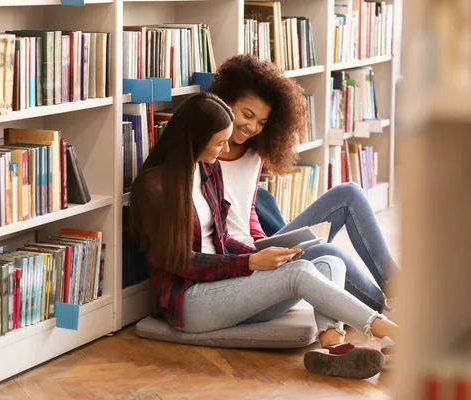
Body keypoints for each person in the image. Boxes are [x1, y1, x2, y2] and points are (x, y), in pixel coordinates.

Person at [129, 92, 397, 380]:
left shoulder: (208, 169)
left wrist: (261, 256)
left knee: (331, 263)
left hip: (226, 286)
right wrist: (249, 264)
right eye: (219, 142)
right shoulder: (154, 187)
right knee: (301, 273)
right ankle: (393, 333)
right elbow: (178, 261)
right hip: (191, 301)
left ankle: (331, 347)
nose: (223, 149)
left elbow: (221, 237)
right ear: (195, 138)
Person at [207, 54, 399, 313]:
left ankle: (399, 294)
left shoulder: (254, 154)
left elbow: (246, 211)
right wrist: (254, 255)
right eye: (247, 115)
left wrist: (266, 243)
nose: (251, 127)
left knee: (349, 194)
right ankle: (393, 314)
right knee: (332, 254)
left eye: (262, 122)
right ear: (225, 101)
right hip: (239, 266)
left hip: (260, 251)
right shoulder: (204, 155)